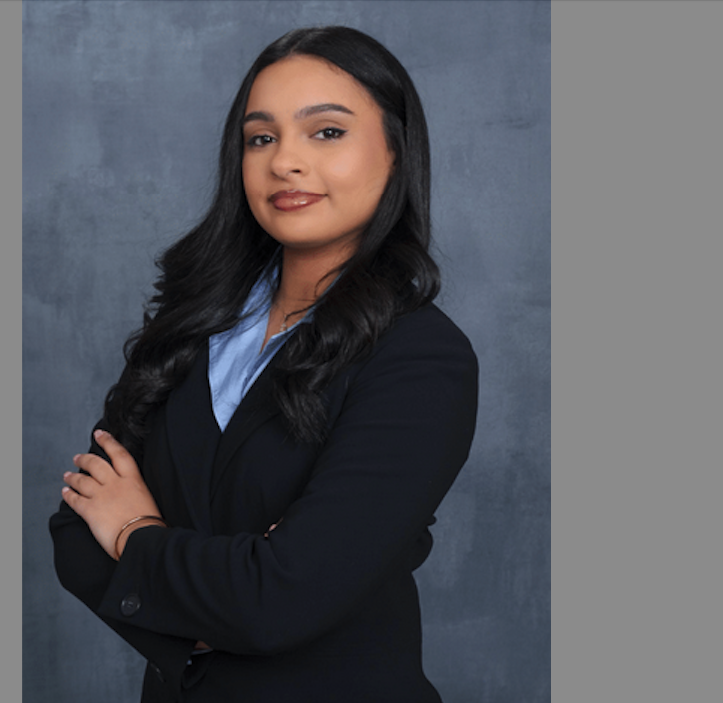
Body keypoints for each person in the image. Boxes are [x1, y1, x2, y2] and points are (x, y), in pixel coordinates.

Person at [50, 26, 478, 703]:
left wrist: (136, 531)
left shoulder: (420, 356)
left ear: (396, 153)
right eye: (260, 137)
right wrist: (223, 600)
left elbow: (280, 596)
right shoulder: (190, 325)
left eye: (326, 132)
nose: (284, 162)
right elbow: (75, 530)